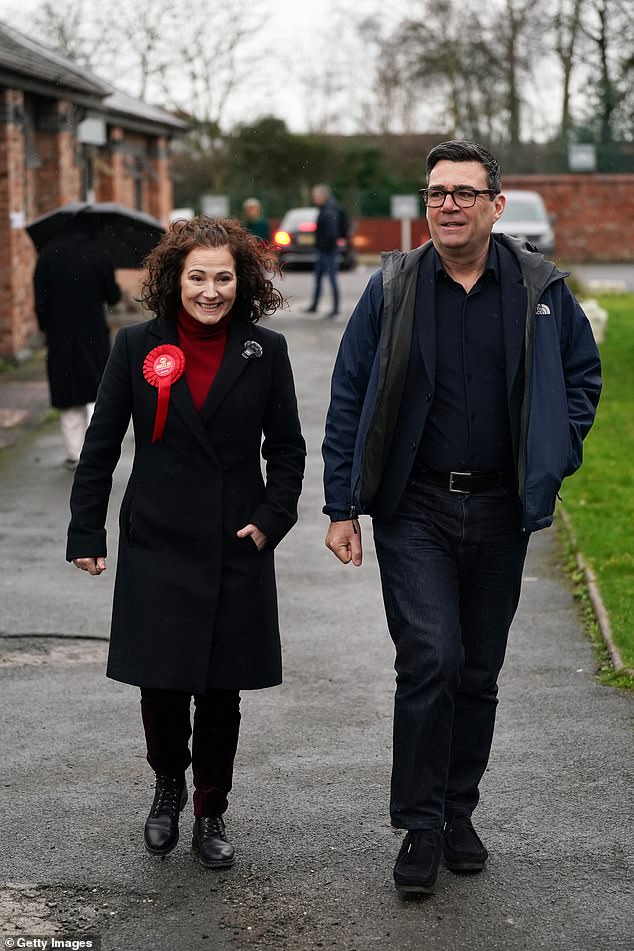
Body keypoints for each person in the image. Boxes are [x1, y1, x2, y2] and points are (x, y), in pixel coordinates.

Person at [322, 140, 601, 894]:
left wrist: (556, 451)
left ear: (495, 206)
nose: (449, 205)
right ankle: (419, 826)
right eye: (437, 192)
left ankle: (457, 811)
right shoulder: (393, 287)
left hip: (502, 507)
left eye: (465, 193)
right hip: (414, 505)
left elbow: (582, 375)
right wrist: (342, 504)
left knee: (477, 670)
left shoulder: (540, 287)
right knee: (431, 659)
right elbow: (350, 392)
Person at [66, 216, 306, 869]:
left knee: (222, 689)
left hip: (235, 539)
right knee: (163, 682)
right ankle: (168, 783)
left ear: (241, 281)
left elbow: (287, 448)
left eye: (223, 278)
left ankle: (211, 808)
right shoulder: (135, 346)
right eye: (197, 277)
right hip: (158, 536)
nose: (210, 291)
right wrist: (86, 528)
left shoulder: (265, 351)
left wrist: (272, 516)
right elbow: (100, 445)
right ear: (175, 279)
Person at [33, 216, 122, 469]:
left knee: (67, 393)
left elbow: (40, 300)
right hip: (93, 332)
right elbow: (112, 296)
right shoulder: (98, 253)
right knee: (97, 390)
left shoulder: (47, 255)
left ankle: (75, 453)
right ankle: (98, 449)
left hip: (60, 334)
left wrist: (47, 326)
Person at [305, 184, 344, 318]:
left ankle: (335, 308)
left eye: (315, 196)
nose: (313, 199)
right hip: (325, 250)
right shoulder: (328, 208)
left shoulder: (328, 210)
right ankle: (315, 305)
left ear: (323, 196)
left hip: (327, 251)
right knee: (319, 279)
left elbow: (332, 233)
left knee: (331, 279)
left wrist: (324, 246)